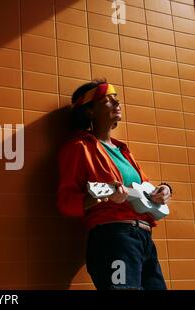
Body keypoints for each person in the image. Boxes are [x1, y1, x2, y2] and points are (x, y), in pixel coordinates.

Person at [57, 79, 172, 290]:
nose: (117, 104)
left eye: (116, 99)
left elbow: (145, 187)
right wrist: (99, 197)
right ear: (90, 111)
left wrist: (163, 190)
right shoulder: (78, 148)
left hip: (144, 238)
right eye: (108, 100)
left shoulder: (123, 151)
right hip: (114, 238)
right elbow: (66, 201)